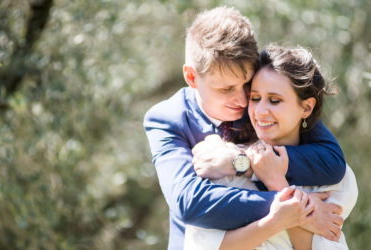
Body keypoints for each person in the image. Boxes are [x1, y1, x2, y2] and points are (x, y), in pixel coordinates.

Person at [143, 6, 346, 250]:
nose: (243, 100)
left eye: (246, 85)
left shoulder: (264, 94)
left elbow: (332, 162)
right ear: (192, 78)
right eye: (226, 89)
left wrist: (242, 163)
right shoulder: (167, 119)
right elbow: (191, 203)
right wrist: (297, 208)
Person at [185, 44, 358, 250]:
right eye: (255, 98)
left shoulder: (339, 180)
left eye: (275, 101)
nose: (260, 111)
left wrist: (276, 182)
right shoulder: (221, 160)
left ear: (307, 107)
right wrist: (283, 217)